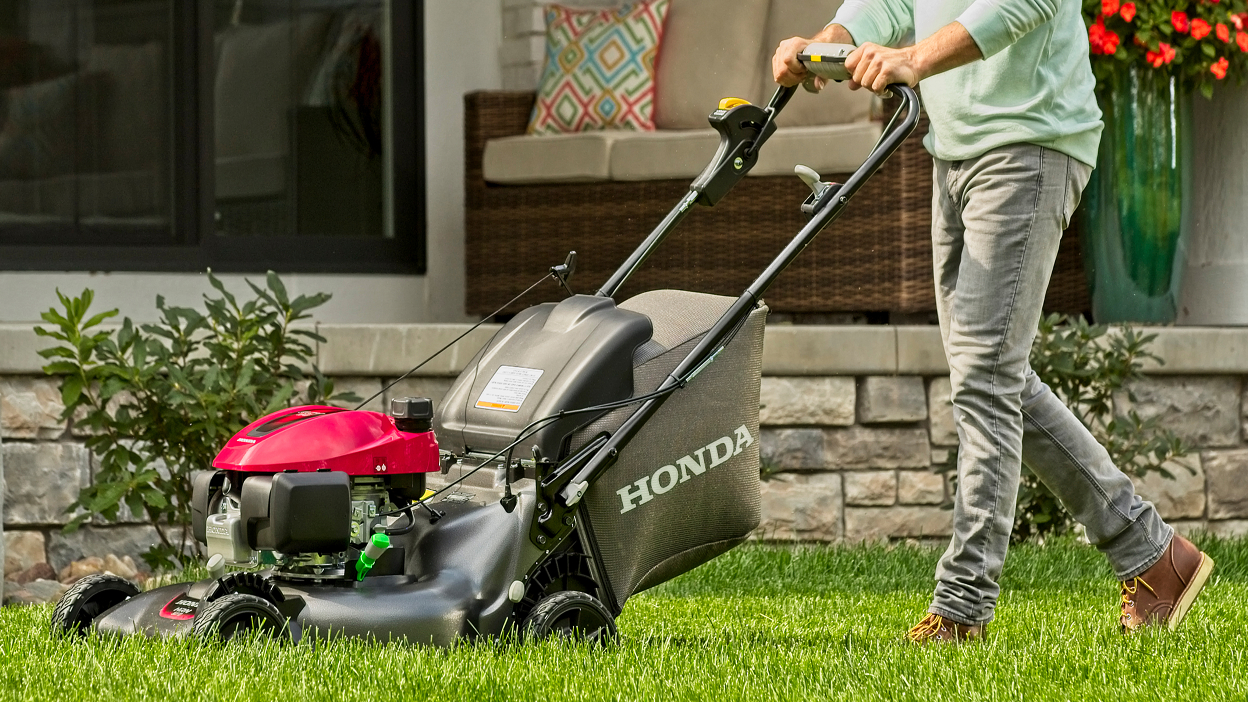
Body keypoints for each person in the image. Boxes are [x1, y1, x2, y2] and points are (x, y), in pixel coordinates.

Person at [771, 0, 1214, 643]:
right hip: (956, 152)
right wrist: (828, 42)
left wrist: (916, 59)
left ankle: (962, 606)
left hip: (1027, 144)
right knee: (990, 376)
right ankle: (1153, 553)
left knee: (985, 375)